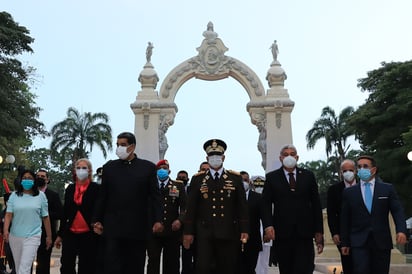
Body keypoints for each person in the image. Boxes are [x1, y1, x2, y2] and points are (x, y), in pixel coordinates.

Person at [92, 131, 163, 274]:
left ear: (132, 146)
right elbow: (102, 196)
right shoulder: (109, 168)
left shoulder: (147, 168)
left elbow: (155, 197)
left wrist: (158, 220)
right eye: (117, 145)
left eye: (123, 145)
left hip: (137, 228)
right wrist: (96, 220)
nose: (119, 148)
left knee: (134, 266)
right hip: (113, 227)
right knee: (112, 266)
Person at [183, 139, 249, 274]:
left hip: (228, 230)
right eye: (212, 156)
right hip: (204, 232)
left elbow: (242, 206)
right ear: (207, 158)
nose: (215, 158)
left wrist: (244, 230)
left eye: (218, 155)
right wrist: (188, 232)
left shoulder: (235, 178)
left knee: (227, 266)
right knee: (203, 267)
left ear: (223, 157)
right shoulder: (198, 179)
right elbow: (191, 208)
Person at [262, 144, 324, 274]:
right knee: (287, 268)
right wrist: (268, 225)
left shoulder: (308, 175)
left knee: (305, 268)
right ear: (280, 158)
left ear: (297, 157)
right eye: (285, 154)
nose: (289, 156)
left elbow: (316, 204)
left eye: (292, 154)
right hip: (283, 233)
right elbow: (266, 204)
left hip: (305, 233)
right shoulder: (272, 177)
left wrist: (319, 230)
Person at [340, 155, 407, 274]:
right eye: (359, 167)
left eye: (365, 166)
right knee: (361, 270)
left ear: (374, 170)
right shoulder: (349, 192)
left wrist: (401, 230)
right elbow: (345, 219)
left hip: (381, 241)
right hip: (359, 242)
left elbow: (397, 210)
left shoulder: (387, 189)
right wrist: (344, 242)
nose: (362, 169)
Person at [54, 158, 100, 274]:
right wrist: (60, 235)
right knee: (66, 265)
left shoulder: (95, 188)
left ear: (89, 171)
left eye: (84, 168)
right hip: (71, 233)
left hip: (88, 233)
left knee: (87, 265)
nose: (81, 170)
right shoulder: (70, 188)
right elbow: (65, 213)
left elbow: (99, 209)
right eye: (78, 168)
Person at [3, 170, 52, 274]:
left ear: (34, 181)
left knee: (24, 268)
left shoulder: (41, 196)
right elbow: (8, 214)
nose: (27, 180)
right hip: (15, 236)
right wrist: (6, 230)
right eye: (24, 178)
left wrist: (49, 236)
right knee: (19, 266)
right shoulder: (14, 196)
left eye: (29, 178)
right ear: (21, 180)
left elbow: (45, 217)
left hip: (33, 236)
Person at [147, 160, 186, 274]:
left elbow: (185, 207)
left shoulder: (178, 185)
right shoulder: (150, 187)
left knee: (172, 263)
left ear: (169, 170)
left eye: (165, 168)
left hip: (172, 231)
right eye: (160, 168)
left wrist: (180, 220)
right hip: (154, 231)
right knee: (153, 261)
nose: (162, 170)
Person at [326, 159, 356, 274]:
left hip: (363, 232)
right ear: (341, 172)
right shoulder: (334, 190)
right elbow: (332, 213)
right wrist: (335, 233)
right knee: (348, 263)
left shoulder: (363, 186)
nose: (348, 172)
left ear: (356, 171)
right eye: (345, 170)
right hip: (343, 234)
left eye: (351, 170)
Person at [35, 168, 63, 274]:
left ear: (47, 180)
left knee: (43, 263)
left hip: (46, 234)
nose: (40, 178)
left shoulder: (53, 195)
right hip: (29, 232)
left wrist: (44, 214)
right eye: (38, 176)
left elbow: (60, 213)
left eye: (43, 177)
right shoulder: (29, 194)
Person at [237, 171, 263, 274]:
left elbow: (264, 216)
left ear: (250, 181)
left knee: (250, 269)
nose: (244, 182)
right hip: (235, 240)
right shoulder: (231, 197)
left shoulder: (258, 197)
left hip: (253, 240)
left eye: (245, 180)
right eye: (241, 180)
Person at [175, 170, 194, 274]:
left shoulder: (192, 190)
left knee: (187, 254)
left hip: (188, 226)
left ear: (188, 179)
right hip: (176, 225)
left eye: (184, 177)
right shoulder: (173, 188)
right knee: (174, 255)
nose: (182, 179)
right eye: (180, 177)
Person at [0, 192, 16, 274]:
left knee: (14, 255)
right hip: (5, 238)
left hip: (16, 236)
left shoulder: (16, 212)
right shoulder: (2, 213)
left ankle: (14, 269)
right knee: (7, 253)